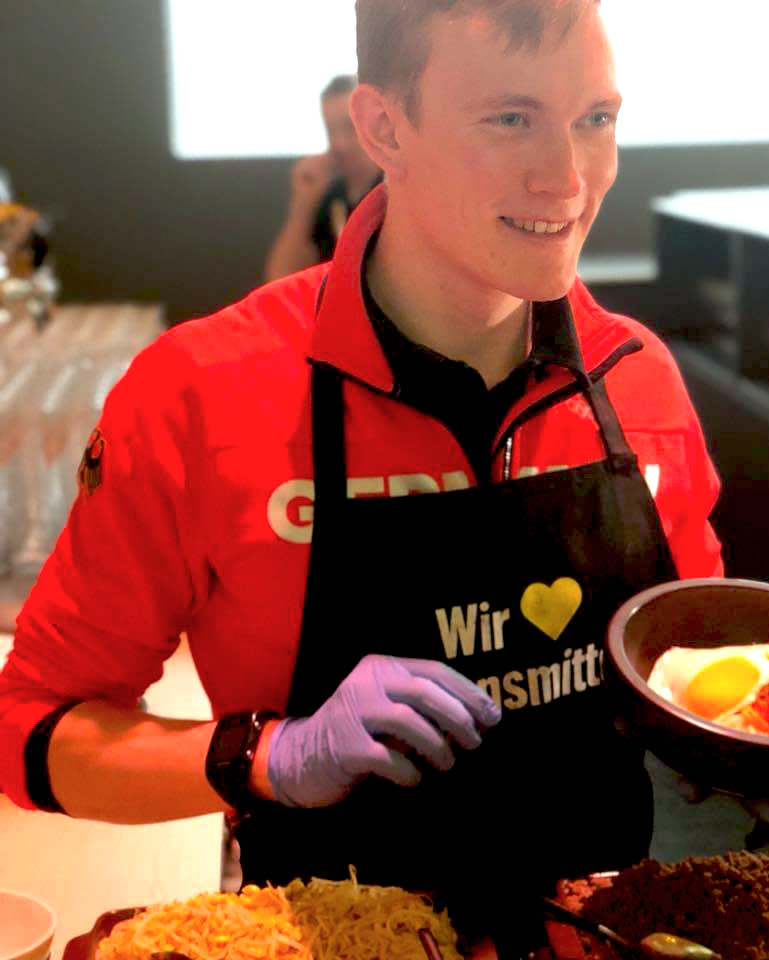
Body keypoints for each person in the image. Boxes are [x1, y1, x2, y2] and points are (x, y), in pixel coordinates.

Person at [0, 0, 724, 932]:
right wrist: (272, 757)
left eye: (596, 119)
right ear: (384, 128)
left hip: (614, 932)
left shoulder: (640, 381)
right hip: (333, 935)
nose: (568, 176)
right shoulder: (203, 393)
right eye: (510, 119)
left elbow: (700, 670)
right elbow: (31, 731)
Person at [264, 74, 382, 281]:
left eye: (349, 127)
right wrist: (302, 207)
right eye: (330, 130)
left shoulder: (395, 193)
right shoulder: (327, 193)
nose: (340, 143)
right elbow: (280, 279)